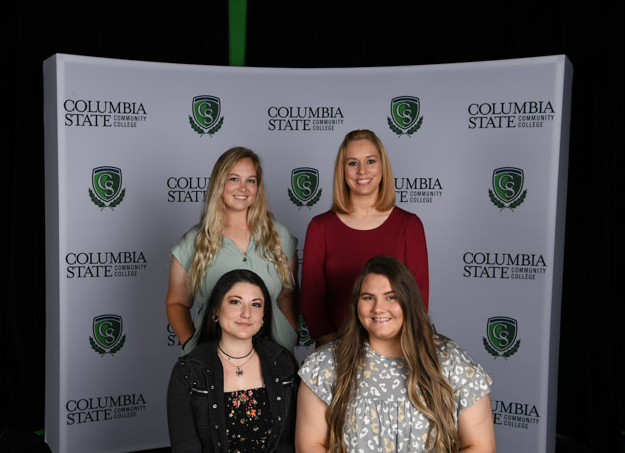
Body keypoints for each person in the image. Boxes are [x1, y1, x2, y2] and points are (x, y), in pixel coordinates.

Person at [296, 256, 495, 453]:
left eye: (391, 297)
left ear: (410, 301)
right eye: (368, 298)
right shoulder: (325, 364)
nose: (378, 308)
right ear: (356, 304)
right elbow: (310, 444)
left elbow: (480, 445)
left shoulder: (452, 362)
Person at [300, 129, 429, 347]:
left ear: (382, 167)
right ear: (342, 170)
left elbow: (418, 298)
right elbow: (311, 300)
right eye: (352, 163)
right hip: (336, 350)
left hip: (396, 349)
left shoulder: (409, 225)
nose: (362, 171)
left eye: (370, 161)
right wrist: (335, 349)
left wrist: (392, 350)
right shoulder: (320, 227)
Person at [166, 147, 299, 354]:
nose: (243, 188)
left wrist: (289, 335)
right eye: (234, 179)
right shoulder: (193, 242)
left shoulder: (279, 236)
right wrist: (192, 346)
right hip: (215, 364)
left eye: (251, 180)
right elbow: (177, 302)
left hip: (276, 357)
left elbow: (286, 295)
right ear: (220, 183)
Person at [167, 269, 298, 452]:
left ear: (263, 316)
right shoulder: (188, 371)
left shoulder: (281, 362)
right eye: (235, 302)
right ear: (216, 311)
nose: (246, 313)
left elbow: (286, 443)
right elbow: (185, 447)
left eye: (256, 304)